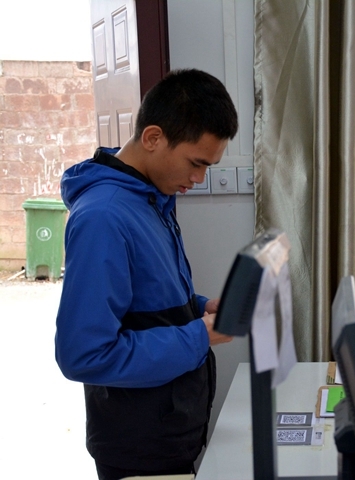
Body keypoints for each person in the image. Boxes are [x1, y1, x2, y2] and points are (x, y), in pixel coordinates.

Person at [55, 69, 238, 480]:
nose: (198, 179)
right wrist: (200, 335)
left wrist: (201, 307)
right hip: (138, 447)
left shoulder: (151, 198)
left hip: (170, 431)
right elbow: (83, 355)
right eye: (196, 163)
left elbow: (145, 299)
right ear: (153, 137)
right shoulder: (104, 216)